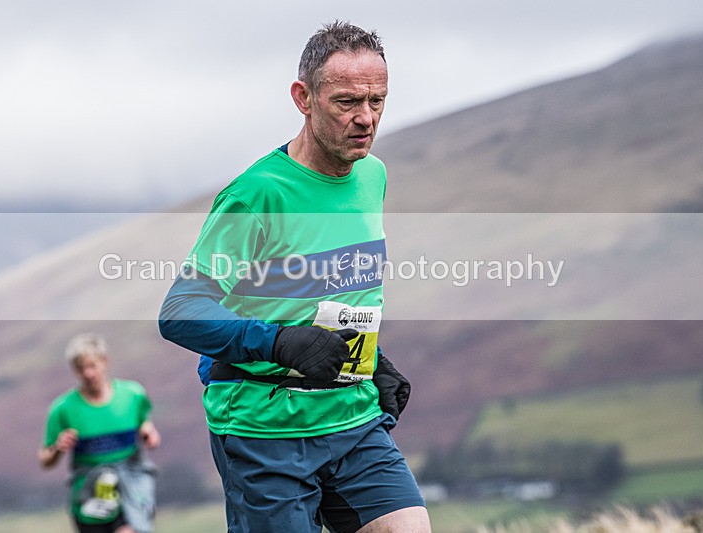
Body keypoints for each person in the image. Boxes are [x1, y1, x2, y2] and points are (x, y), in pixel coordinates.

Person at [158, 21, 431, 532]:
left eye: (377, 101)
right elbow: (180, 312)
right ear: (303, 97)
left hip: (352, 418)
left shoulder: (372, 176)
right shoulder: (257, 195)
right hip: (264, 431)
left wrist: (368, 361)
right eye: (347, 102)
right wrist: (279, 342)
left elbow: (331, 288)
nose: (365, 119)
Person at [39, 333, 160, 533]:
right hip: (89, 496)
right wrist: (59, 448)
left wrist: (149, 436)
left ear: (105, 362)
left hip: (129, 487)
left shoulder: (132, 395)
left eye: (92, 366)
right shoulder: (62, 409)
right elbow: (45, 460)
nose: (88, 373)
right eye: (80, 368)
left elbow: (148, 429)